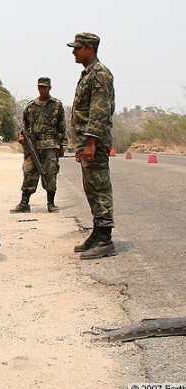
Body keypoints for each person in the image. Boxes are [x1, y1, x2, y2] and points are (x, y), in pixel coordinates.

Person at [67, 32, 116, 259]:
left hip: (95, 142)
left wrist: (91, 143)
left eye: (77, 48)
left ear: (90, 48)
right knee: (90, 188)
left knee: (99, 187)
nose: (74, 52)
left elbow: (99, 110)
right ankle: (97, 232)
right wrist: (80, 145)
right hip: (86, 142)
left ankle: (105, 239)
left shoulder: (99, 74)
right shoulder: (87, 74)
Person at [10, 77, 68, 213]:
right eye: (40, 87)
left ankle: (51, 203)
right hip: (33, 146)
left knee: (50, 173)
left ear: (49, 88)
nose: (42, 89)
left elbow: (62, 126)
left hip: (50, 145)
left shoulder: (57, 105)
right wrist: (22, 137)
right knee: (29, 172)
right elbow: (24, 125)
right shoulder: (31, 106)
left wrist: (62, 145)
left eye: (44, 87)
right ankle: (24, 203)